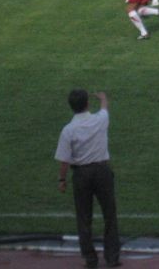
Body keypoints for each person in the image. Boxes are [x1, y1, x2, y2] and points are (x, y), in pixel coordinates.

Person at [55, 90, 121, 268]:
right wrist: (104, 98)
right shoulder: (99, 120)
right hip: (102, 172)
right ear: (87, 104)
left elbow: (64, 160)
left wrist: (62, 180)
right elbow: (105, 109)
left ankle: (90, 259)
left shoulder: (68, 130)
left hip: (81, 175)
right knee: (110, 215)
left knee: (84, 218)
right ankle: (112, 258)